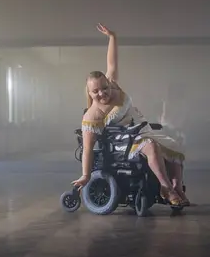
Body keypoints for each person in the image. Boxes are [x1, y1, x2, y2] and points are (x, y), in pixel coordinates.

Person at [71, 23, 190, 207]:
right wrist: (86, 175)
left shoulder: (113, 85)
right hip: (122, 140)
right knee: (150, 146)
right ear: (89, 92)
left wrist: (112, 37)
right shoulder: (92, 116)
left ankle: (178, 188)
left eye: (104, 88)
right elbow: (87, 148)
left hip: (141, 128)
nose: (102, 93)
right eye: (96, 92)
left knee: (175, 145)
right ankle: (166, 188)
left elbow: (112, 63)